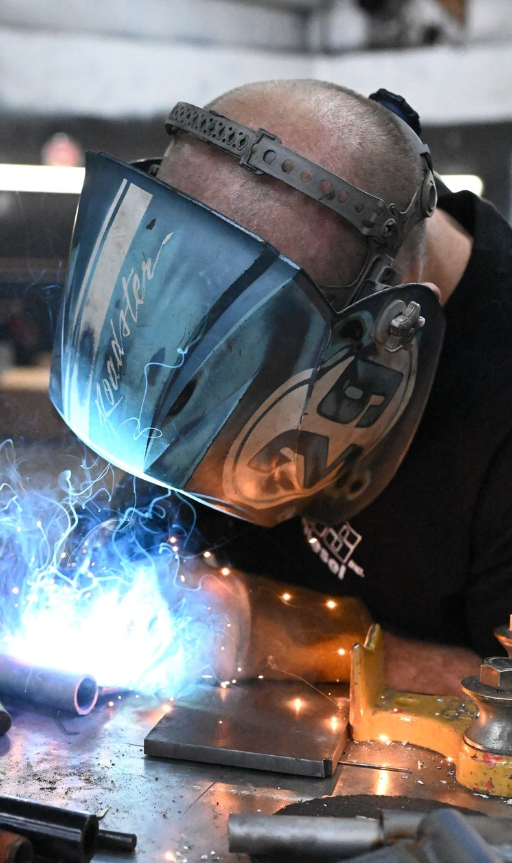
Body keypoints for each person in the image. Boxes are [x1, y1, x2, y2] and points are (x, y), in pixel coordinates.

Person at [50, 79, 512, 695]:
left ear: (383, 327)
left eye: (247, 353)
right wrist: (123, 548)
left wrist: (287, 639)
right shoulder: (238, 284)